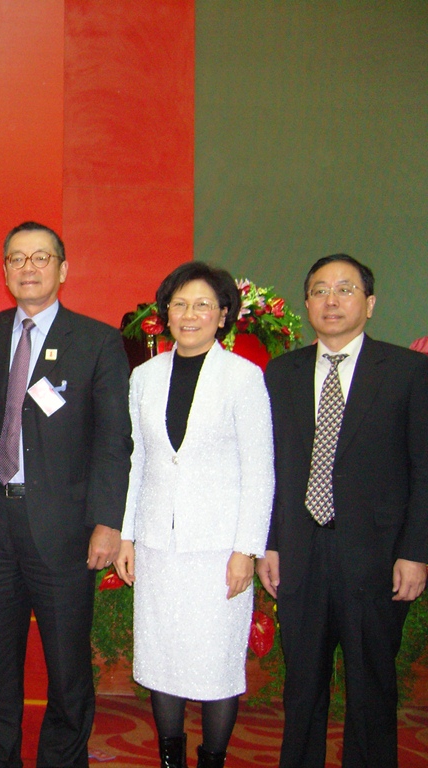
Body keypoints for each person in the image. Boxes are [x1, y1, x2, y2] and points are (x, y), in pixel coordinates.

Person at [0, 222, 133, 768]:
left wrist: (108, 521)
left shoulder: (98, 340)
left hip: (63, 530)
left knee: (65, 667)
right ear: (5, 270)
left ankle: (62, 760)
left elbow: (114, 441)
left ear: (63, 269)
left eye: (41, 258)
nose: (28, 268)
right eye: (16, 258)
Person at [257, 254, 428, 768]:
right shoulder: (280, 373)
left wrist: (416, 552)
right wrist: (271, 542)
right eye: (320, 290)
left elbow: (424, 467)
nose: (332, 300)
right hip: (301, 555)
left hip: (377, 559)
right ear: (307, 303)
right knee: (302, 688)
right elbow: (272, 469)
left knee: (372, 687)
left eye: (345, 289)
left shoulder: (409, 371)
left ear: (370, 304)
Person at [113, 262, 273, 768]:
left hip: (217, 551)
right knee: (164, 661)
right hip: (159, 544)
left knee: (216, 665)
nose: (190, 314)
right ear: (164, 314)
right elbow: (137, 460)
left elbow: (260, 470)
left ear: (223, 313)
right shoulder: (144, 376)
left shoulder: (243, 378)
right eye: (179, 304)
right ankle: (170, 760)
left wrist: (246, 549)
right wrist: (127, 536)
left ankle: (212, 760)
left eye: (202, 304)